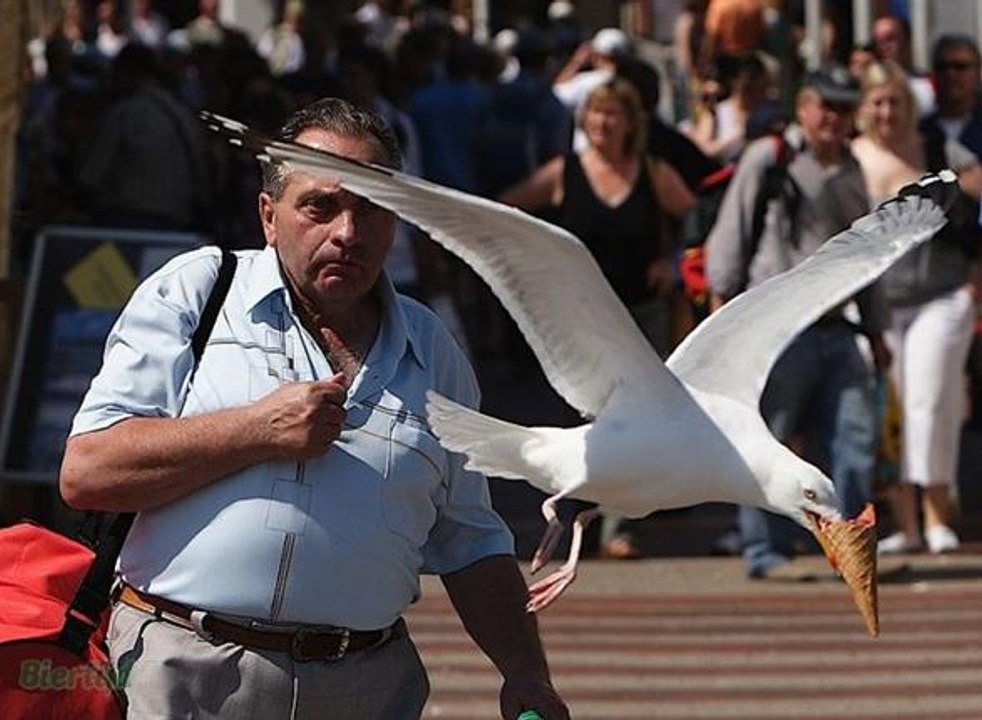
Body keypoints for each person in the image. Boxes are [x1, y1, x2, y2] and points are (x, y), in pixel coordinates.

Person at [58, 98, 569, 720]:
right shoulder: (196, 293)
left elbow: (470, 537)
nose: (347, 232)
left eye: (371, 207)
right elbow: (88, 471)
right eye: (320, 206)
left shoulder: (431, 349)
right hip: (186, 674)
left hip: (365, 685)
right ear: (269, 217)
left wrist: (526, 673)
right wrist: (256, 430)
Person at [500, 78, 696, 558]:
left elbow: (697, 214)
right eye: (596, 114)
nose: (604, 123)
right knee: (581, 418)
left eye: (614, 114)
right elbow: (506, 209)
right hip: (579, 322)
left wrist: (672, 261)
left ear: (631, 123)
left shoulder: (651, 172)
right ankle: (571, 518)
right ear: (583, 121)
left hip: (641, 315)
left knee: (634, 421)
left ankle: (617, 528)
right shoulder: (564, 172)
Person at [705, 67, 888, 579]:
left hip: (837, 327)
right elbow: (732, 231)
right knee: (769, 443)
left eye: (843, 107)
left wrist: (877, 329)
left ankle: (849, 550)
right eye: (823, 105)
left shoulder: (853, 168)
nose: (832, 116)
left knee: (853, 439)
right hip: (774, 331)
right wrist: (720, 314)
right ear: (803, 107)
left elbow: (868, 255)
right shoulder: (770, 158)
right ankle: (765, 551)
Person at [851, 60, 982, 555]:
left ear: (910, 106)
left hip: (940, 293)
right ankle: (905, 523)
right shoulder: (850, 158)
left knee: (928, 402)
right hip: (876, 304)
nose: (888, 112)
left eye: (897, 101)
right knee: (893, 409)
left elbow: (975, 198)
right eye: (879, 102)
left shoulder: (936, 149)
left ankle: (935, 515)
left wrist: (975, 280)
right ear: (864, 108)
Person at [871, 13, 935, 116]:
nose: (883, 47)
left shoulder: (927, 85)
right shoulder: (868, 85)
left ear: (907, 41)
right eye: (878, 41)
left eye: (890, 39)